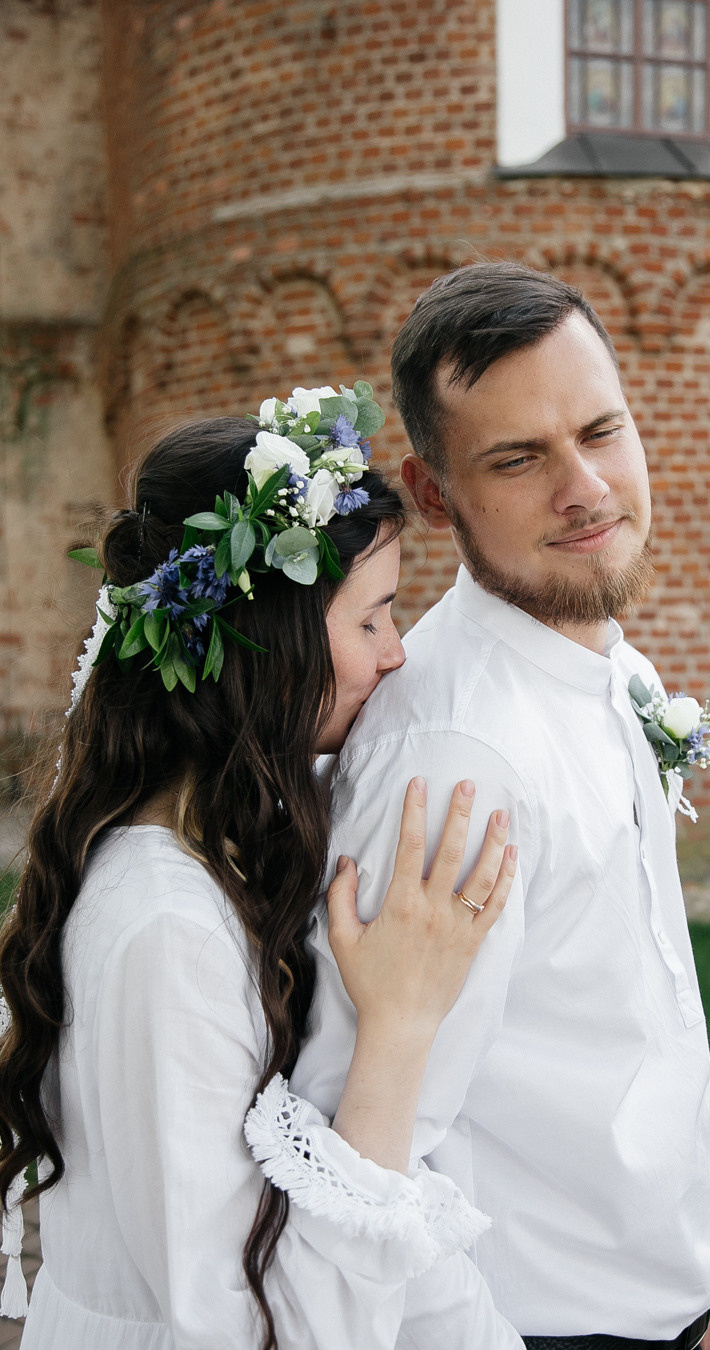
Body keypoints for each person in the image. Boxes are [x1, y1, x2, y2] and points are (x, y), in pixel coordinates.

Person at [291, 265, 710, 1350]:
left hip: (657, 1295)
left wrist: (699, 1286)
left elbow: (631, 1025)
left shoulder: (595, 657)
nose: (586, 487)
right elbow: (371, 1142)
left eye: (601, 430)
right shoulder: (460, 764)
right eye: (519, 458)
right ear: (437, 492)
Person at [0, 393, 517, 1350]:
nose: (398, 654)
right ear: (265, 647)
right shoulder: (170, 933)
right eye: (371, 620)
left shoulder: (215, 853)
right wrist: (399, 1031)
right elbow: (246, 1334)